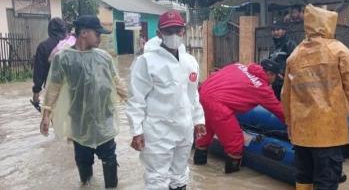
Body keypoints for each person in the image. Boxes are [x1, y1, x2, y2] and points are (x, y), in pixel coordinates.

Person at [281, 4, 349, 190]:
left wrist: (289, 124)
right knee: (327, 180)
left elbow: (286, 94)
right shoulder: (339, 51)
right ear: (328, 24)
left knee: (303, 178)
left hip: (301, 133)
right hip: (328, 134)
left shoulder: (294, 55)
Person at [39, 15, 126, 188]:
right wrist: (46, 115)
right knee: (84, 165)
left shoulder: (104, 57)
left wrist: (135, 103)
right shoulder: (63, 58)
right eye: (98, 33)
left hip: (105, 121)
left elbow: (118, 83)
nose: (101, 38)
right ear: (84, 33)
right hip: (80, 123)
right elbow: (53, 88)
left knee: (110, 160)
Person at [126, 10, 205, 190]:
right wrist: (136, 131)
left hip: (184, 129)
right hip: (158, 132)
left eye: (178, 30)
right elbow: (136, 99)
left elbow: (193, 95)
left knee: (180, 176)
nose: (174, 35)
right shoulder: (146, 61)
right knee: (157, 179)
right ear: (159, 33)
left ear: (183, 31)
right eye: (169, 31)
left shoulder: (190, 61)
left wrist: (198, 119)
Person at [194, 59, 284, 174]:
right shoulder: (262, 88)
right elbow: (279, 110)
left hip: (202, 95)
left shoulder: (238, 66)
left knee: (204, 135)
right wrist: (294, 125)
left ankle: (199, 167)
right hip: (218, 105)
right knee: (235, 143)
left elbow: (217, 76)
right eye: (276, 77)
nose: (275, 80)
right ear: (270, 74)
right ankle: (232, 178)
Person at [31, 18, 69, 110]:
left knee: (53, 118)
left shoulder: (43, 46)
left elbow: (39, 72)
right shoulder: (71, 44)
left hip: (52, 89)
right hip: (71, 90)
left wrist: (36, 94)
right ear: (64, 29)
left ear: (49, 30)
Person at [269, 22, 297, 99]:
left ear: (284, 31)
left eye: (278, 29)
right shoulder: (272, 47)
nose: (275, 32)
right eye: (273, 30)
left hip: (286, 82)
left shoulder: (290, 44)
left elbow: (295, 62)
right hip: (275, 82)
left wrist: (284, 75)